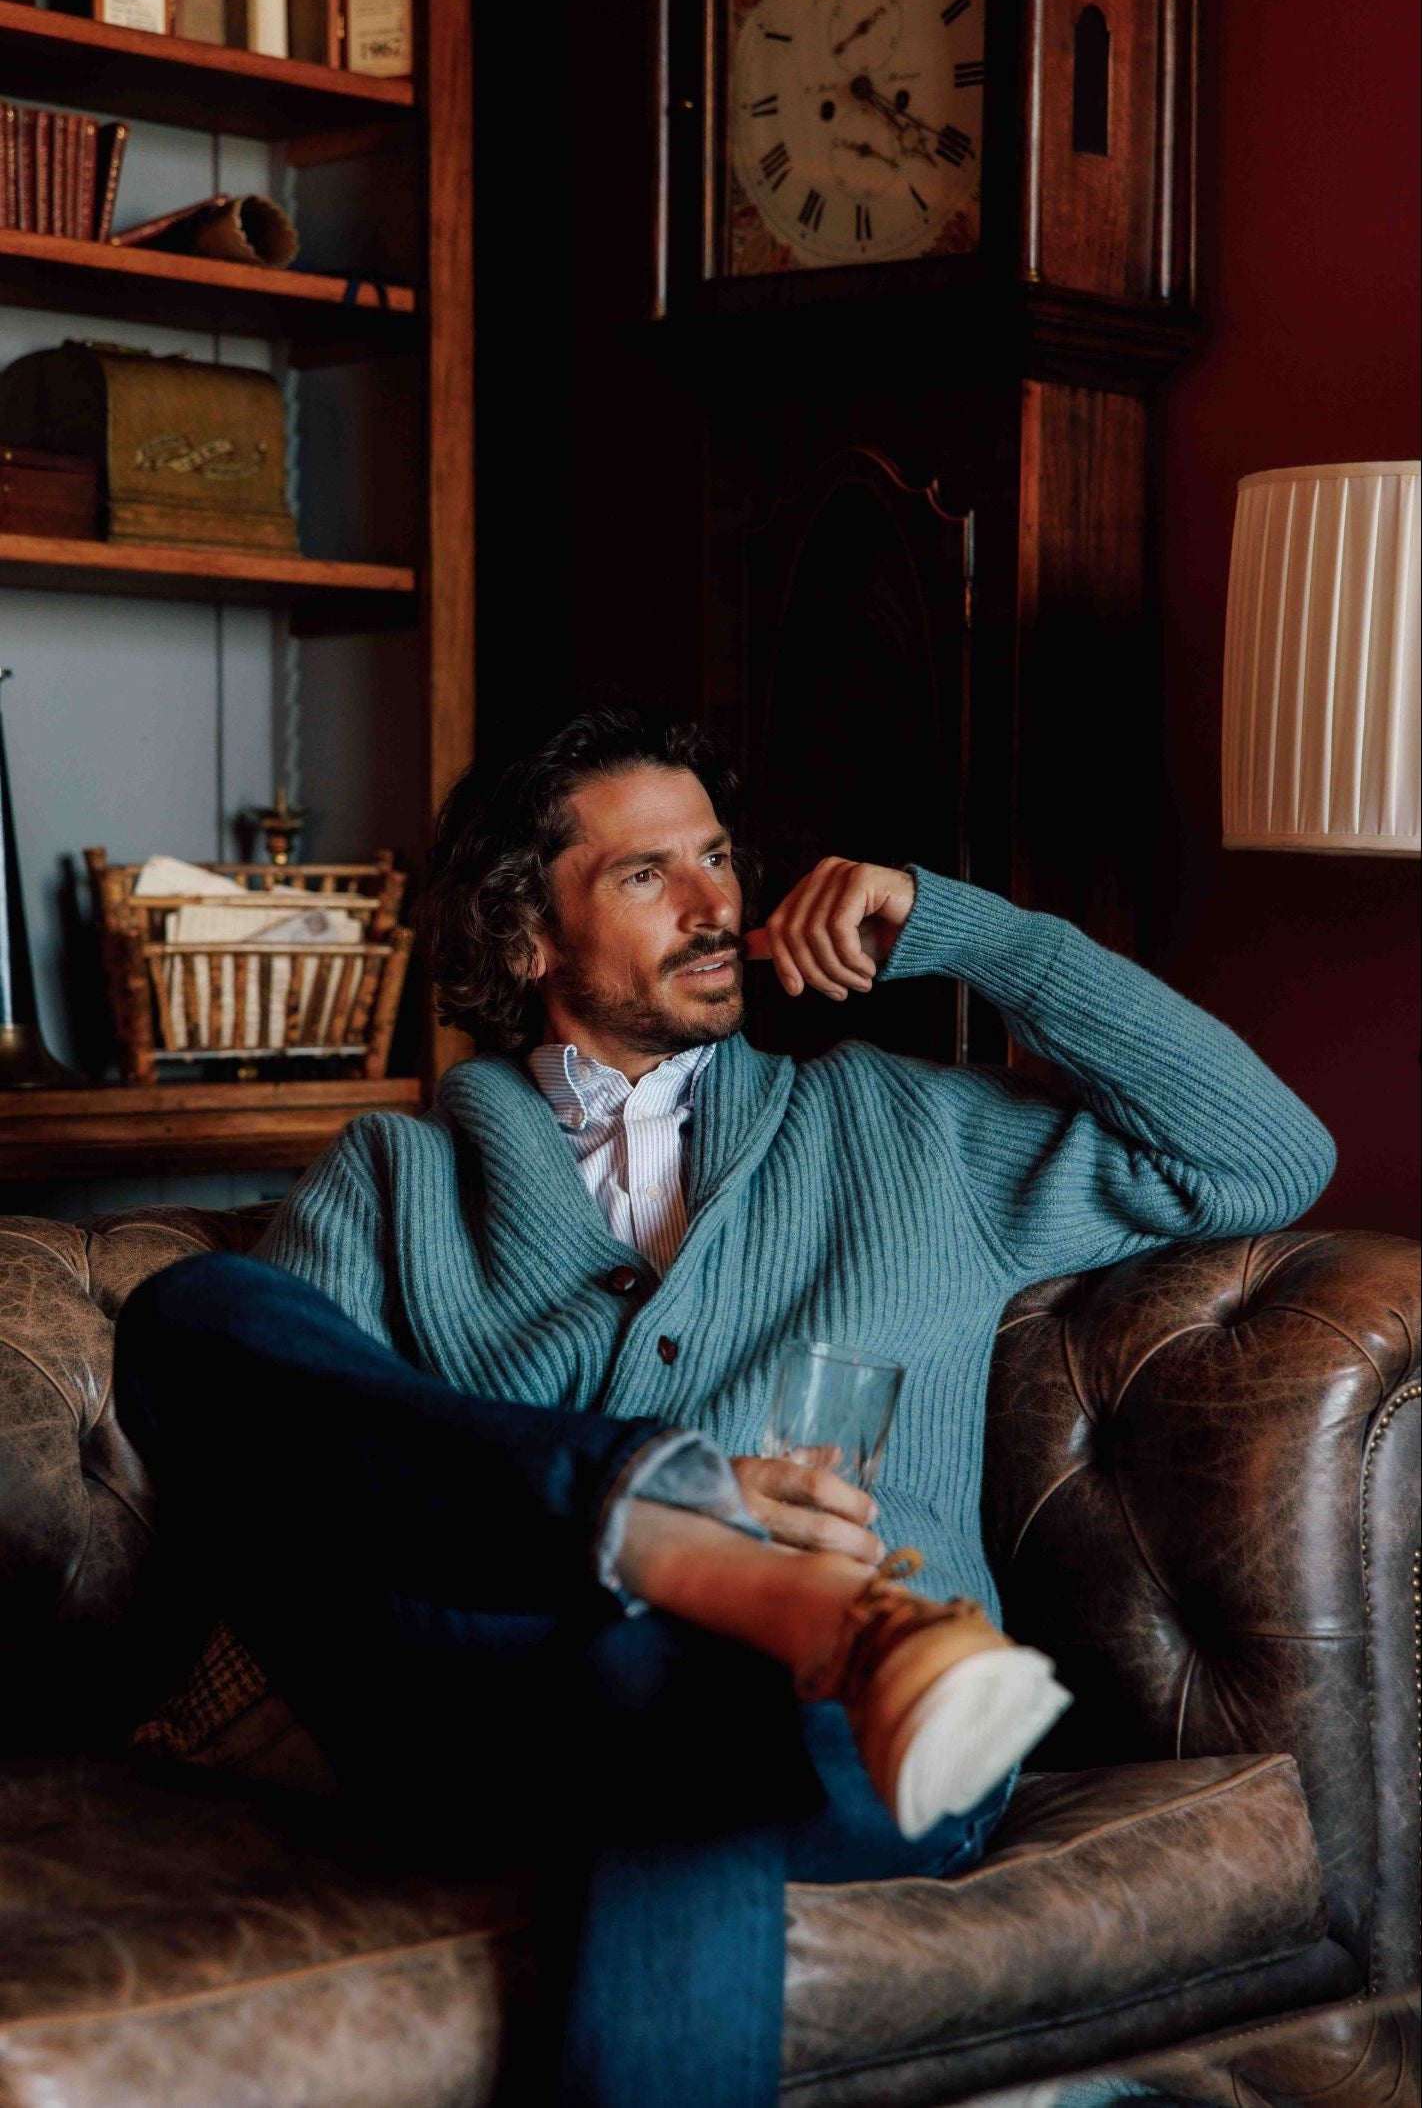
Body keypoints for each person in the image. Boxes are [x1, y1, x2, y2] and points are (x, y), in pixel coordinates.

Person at [115, 706, 1335, 2107]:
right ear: (526, 935)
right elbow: (311, 1469)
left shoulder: (906, 1131)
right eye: (646, 873)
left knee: (672, 1695)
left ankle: (704, 1572)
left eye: (717, 857)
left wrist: (966, 932)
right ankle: (659, 1521)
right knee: (190, 1316)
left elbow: (1263, 1150)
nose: (715, 904)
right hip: (484, 1701)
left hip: (842, 1712)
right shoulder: (395, 1177)